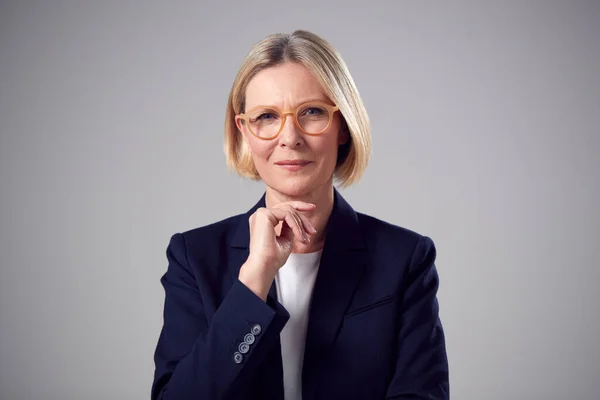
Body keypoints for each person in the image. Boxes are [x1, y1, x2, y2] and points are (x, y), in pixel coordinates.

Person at [151, 29, 449, 400]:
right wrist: (253, 283)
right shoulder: (194, 257)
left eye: (312, 112)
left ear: (342, 126)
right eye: (267, 117)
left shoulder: (405, 258)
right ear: (244, 131)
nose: (289, 137)